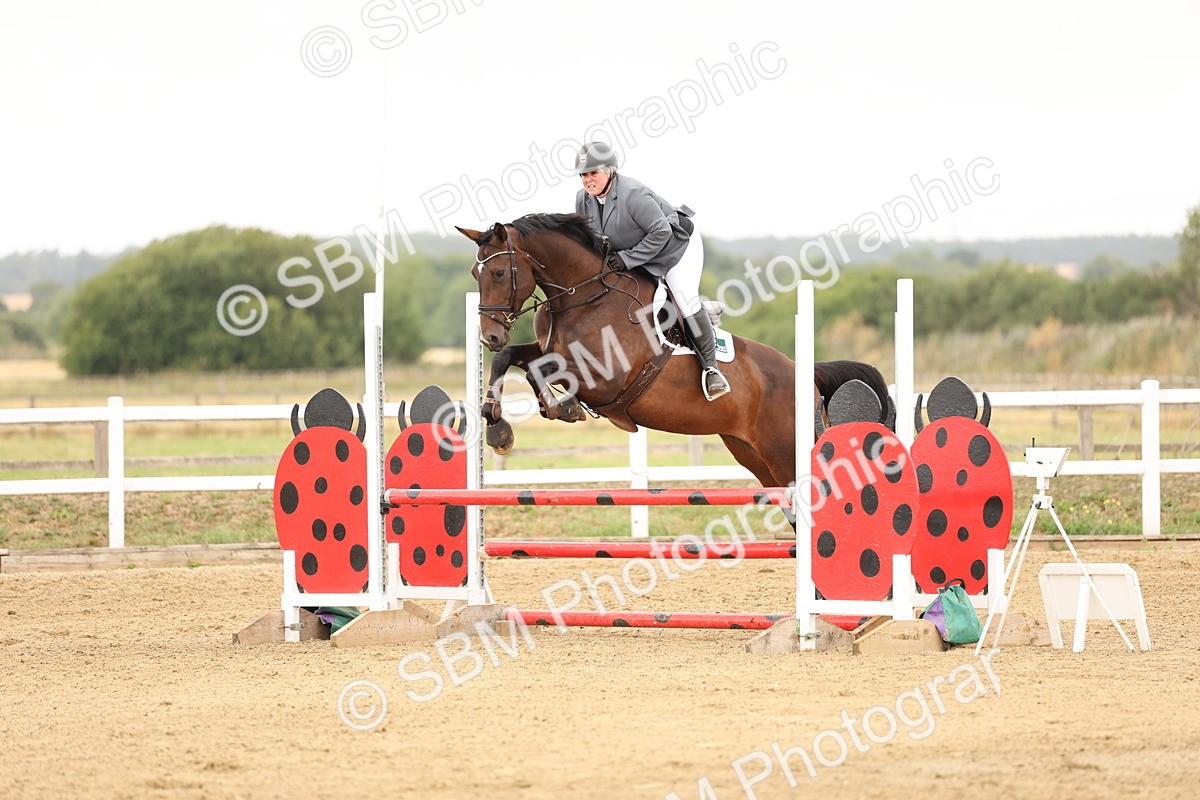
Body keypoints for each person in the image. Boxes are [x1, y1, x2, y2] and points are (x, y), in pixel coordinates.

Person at [573, 141, 730, 400]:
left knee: (684, 297)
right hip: (638, 251)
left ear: (610, 170)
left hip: (676, 247)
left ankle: (711, 369)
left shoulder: (633, 194)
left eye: (593, 173)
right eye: (583, 175)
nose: (588, 180)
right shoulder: (583, 200)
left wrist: (627, 259)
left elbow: (661, 232)